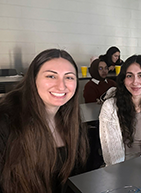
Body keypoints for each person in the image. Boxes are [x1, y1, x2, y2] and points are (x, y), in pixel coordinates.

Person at [0, 49, 88, 193]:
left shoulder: (71, 119)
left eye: (69, 77)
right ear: (33, 79)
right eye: (51, 76)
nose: (61, 86)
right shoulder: (6, 120)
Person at [99, 55, 141, 166]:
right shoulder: (110, 107)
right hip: (119, 169)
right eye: (129, 76)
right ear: (123, 80)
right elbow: (110, 152)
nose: (135, 82)